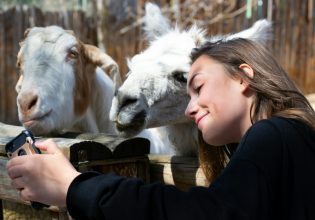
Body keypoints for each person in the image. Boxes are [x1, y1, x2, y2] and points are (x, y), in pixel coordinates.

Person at [6, 38, 315, 220]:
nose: (189, 107)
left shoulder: (274, 134)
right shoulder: (293, 138)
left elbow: (205, 214)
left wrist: (75, 187)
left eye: (196, 86)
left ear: (243, 77)